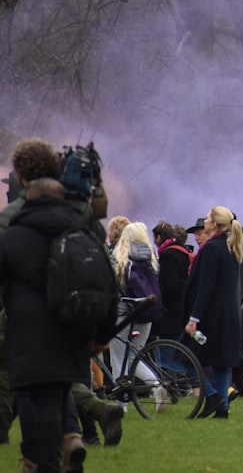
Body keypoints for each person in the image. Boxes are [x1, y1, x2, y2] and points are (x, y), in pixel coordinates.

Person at [0, 178, 117, 472]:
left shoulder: (12, 236)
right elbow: (107, 286)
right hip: (72, 332)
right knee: (59, 394)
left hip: (26, 333)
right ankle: (70, 440)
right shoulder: (84, 234)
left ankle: (40, 461)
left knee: (30, 396)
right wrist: (103, 335)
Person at [183, 206, 243, 418]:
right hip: (230, 314)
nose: (205, 221)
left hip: (212, 316)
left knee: (185, 356)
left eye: (208, 218)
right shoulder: (232, 247)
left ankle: (211, 396)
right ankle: (222, 410)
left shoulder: (211, 249)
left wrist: (194, 317)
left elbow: (205, 286)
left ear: (214, 224)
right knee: (221, 363)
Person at [108, 222, 163, 400]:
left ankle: (121, 403)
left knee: (118, 360)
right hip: (146, 313)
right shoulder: (152, 258)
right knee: (133, 357)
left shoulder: (119, 257)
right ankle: (157, 386)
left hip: (123, 314)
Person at [150, 222, 194, 344]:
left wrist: (160, 302)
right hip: (183, 309)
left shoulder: (168, 254)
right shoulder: (183, 251)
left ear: (159, 237)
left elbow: (170, 285)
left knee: (165, 354)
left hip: (169, 313)